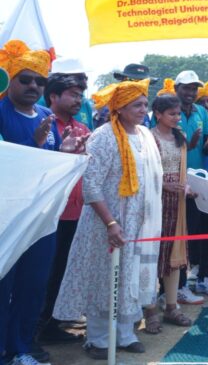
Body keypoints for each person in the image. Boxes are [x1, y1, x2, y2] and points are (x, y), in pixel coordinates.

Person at [54, 78, 163, 359]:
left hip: (138, 222)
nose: (143, 109)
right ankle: (98, 339)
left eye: (144, 104)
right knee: (104, 279)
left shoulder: (145, 135)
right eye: (136, 105)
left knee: (130, 275)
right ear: (120, 107)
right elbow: (91, 185)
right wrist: (111, 223)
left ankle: (125, 334)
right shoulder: (103, 136)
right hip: (106, 222)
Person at [0, 40, 65, 365]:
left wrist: (66, 152)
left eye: (39, 81)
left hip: (41, 216)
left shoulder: (45, 114)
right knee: (3, 286)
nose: (33, 86)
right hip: (7, 217)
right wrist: (33, 141)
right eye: (25, 79)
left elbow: (49, 160)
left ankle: (21, 349)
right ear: (9, 79)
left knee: (33, 286)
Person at [158, 72, 208, 301]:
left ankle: (202, 278)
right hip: (173, 184)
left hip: (198, 182)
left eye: (194, 88)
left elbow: (205, 147)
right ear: (176, 88)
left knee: (203, 230)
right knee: (180, 235)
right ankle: (177, 286)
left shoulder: (201, 113)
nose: (191, 93)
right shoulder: (168, 112)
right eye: (186, 88)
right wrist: (190, 143)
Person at [38, 73, 92, 345]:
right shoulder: (43, 124)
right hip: (49, 213)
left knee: (64, 268)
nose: (78, 99)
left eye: (80, 95)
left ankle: (53, 322)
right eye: (72, 94)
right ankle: (36, 327)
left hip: (77, 211)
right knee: (44, 271)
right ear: (53, 96)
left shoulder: (82, 128)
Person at [146, 94, 196, 333]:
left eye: (178, 114)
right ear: (158, 114)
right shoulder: (148, 137)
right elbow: (144, 172)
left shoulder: (181, 138)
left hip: (177, 202)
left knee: (174, 255)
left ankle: (171, 307)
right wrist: (163, 185)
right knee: (152, 253)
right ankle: (149, 310)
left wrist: (185, 187)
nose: (177, 118)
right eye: (172, 114)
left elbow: (181, 170)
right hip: (153, 201)